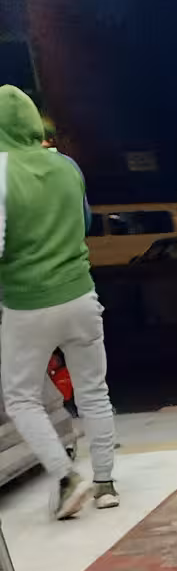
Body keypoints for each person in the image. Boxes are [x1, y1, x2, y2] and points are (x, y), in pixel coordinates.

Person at [0, 85, 118, 517]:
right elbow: (83, 222)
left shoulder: (0, 171)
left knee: (21, 398)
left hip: (27, 303)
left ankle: (66, 477)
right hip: (81, 295)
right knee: (94, 392)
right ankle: (105, 484)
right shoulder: (67, 166)